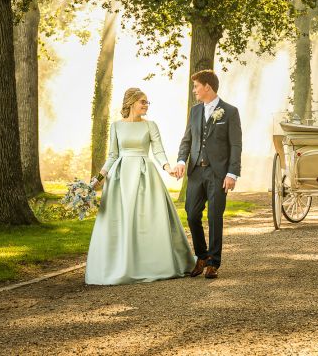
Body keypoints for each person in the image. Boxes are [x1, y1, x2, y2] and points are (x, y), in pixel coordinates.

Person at [85, 88, 195, 285]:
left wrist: (167, 168)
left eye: (147, 102)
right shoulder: (116, 126)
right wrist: (98, 179)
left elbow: (158, 150)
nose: (146, 105)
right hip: (121, 178)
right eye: (143, 102)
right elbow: (112, 155)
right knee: (122, 218)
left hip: (145, 174)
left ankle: (152, 263)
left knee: (148, 218)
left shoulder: (150, 125)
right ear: (131, 103)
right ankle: (122, 265)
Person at [173, 70, 242, 279]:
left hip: (218, 173)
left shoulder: (230, 111)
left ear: (207, 87)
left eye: (196, 86)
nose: (194, 90)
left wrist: (232, 173)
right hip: (195, 172)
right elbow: (187, 140)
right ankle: (201, 256)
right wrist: (181, 160)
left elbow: (236, 145)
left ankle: (213, 262)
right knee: (192, 214)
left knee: (214, 217)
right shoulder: (194, 111)